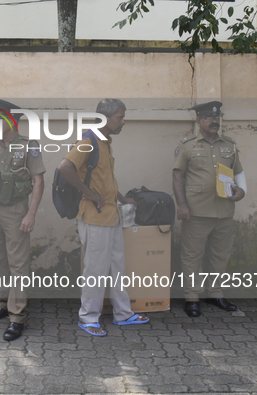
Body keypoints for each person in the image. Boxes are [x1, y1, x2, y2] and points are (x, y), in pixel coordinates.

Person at [57, 98, 149, 336]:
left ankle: (123, 314)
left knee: (117, 267)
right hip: (95, 217)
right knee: (95, 270)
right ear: (105, 119)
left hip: (112, 215)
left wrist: (121, 199)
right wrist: (90, 195)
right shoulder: (88, 141)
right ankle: (88, 318)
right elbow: (64, 167)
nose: (123, 122)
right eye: (120, 117)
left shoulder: (105, 142)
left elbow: (105, 178)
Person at [0, 98, 45, 341]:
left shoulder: (29, 145)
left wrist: (31, 213)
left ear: (10, 120)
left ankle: (17, 318)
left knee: (18, 264)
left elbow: (39, 181)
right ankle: (3, 303)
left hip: (16, 211)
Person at [173, 101, 246, 317]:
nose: (215, 121)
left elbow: (239, 174)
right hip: (196, 212)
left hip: (224, 211)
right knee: (192, 256)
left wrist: (242, 191)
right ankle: (192, 297)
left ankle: (215, 294)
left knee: (220, 255)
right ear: (198, 120)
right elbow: (178, 176)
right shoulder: (187, 146)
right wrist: (182, 205)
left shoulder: (230, 145)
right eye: (209, 117)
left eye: (217, 117)